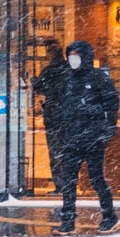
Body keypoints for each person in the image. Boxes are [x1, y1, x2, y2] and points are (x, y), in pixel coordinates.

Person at [52, 40, 120, 235]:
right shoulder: (68, 79)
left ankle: (109, 216)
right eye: (70, 55)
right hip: (72, 137)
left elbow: (112, 104)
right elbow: (61, 104)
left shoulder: (98, 78)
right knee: (68, 180)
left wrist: (105, 128)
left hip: (93, 138)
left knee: (96, 178)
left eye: (76, 55)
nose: (73, 59)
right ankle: (67, 221)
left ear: (85, 56)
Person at [30, 41, 70, 192]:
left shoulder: (49, 70)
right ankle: (68, 184)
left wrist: (34, 80)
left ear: (51, 55)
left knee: (55, 152)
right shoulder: (68, 69)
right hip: (67, 116)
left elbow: (40, 88)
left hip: (53, 116)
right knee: (67, 152)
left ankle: (60, 184)